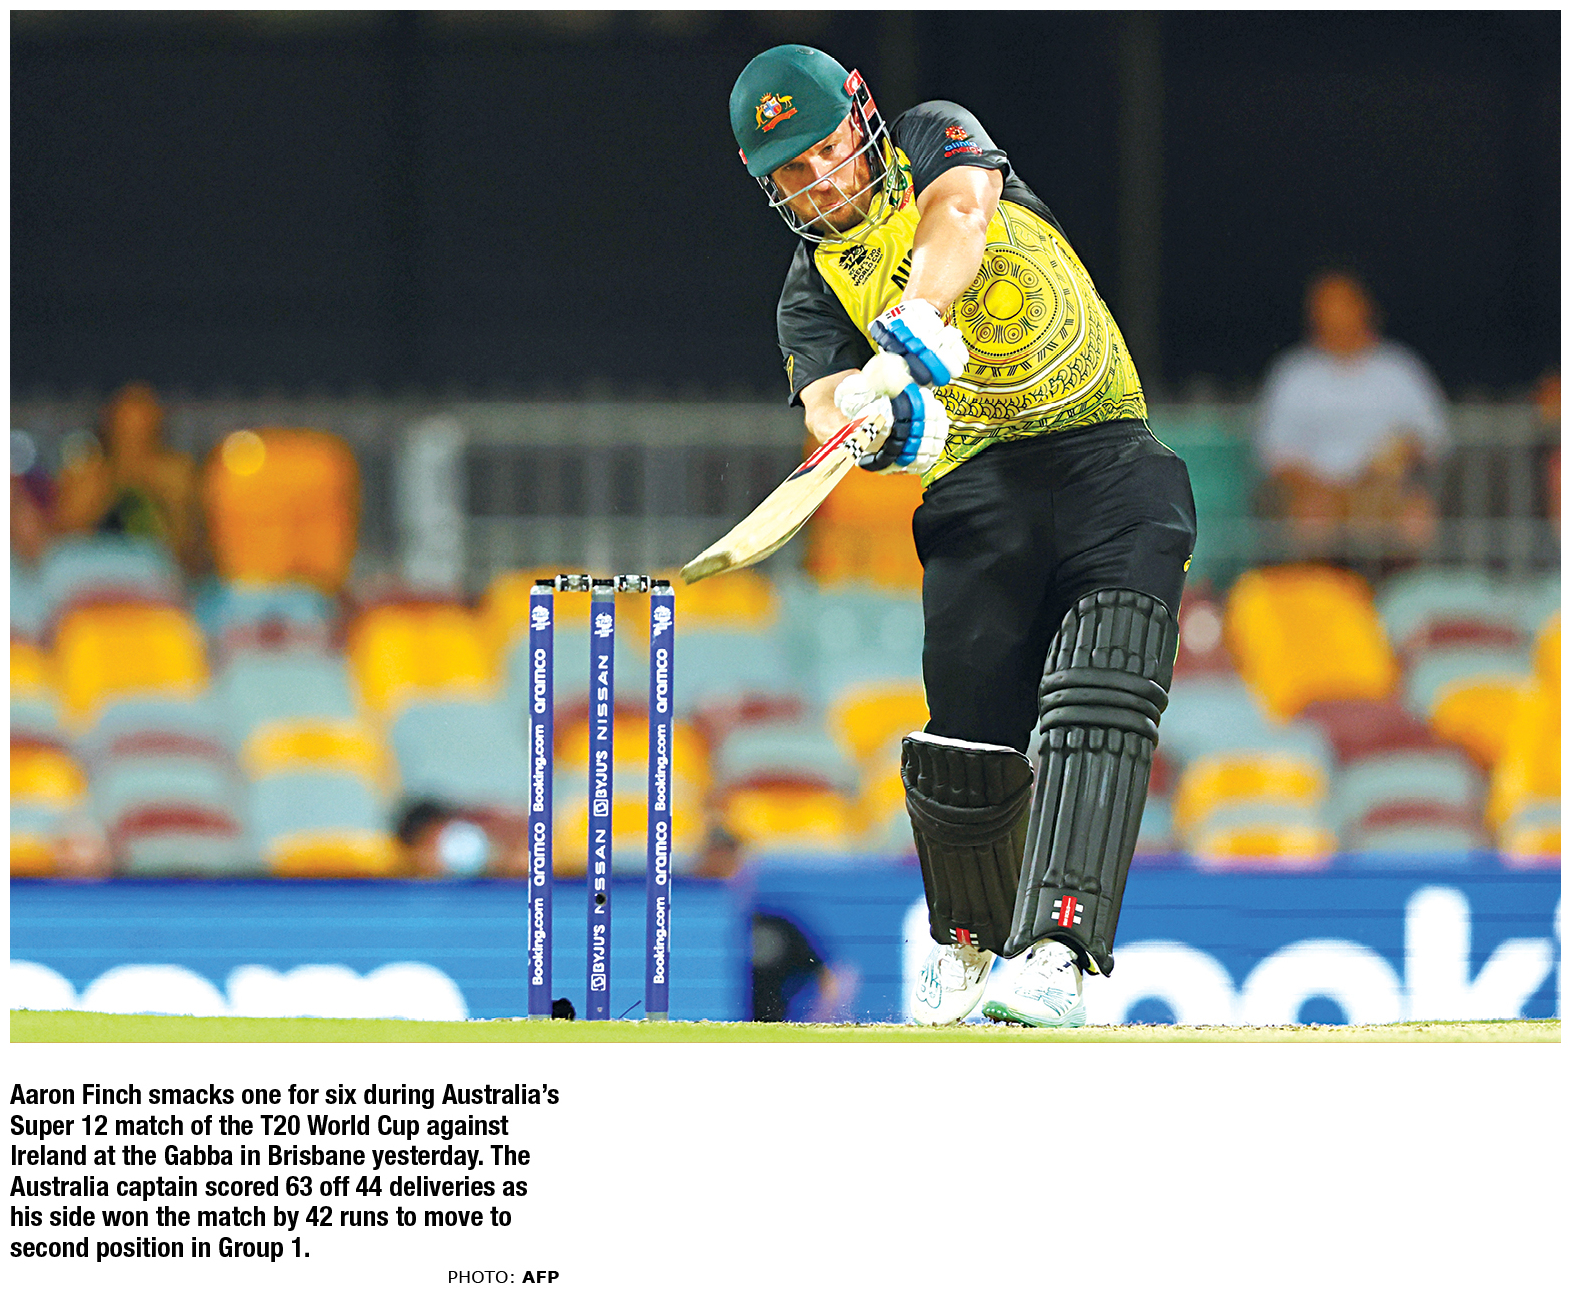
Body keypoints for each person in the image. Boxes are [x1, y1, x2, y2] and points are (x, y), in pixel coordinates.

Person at [729, 46, 1197, 1027]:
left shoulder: (931, 136)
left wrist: (915, 315)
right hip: (977, 497)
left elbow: (962, 213)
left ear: (860, 119)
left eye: (826, 150)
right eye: (791, 172)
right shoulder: (809, 293)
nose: (820, 181)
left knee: (1100, 697)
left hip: (1110, 461)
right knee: (965, 742)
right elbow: (824, 404)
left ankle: (1058, 953)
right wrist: (876, 423)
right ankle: (967, 949)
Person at [1255, 269, 1449, 567]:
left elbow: (1433, 437)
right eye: (1325, 308)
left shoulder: (1398, 368)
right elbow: (1275, 453)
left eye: (1342, 305)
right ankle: (1324, 590)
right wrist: (1326, 490)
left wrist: (1392, 462)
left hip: (1384, 491)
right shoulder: (1294, 373)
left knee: (1417, 519)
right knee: (1310, 520)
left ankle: (1402, 591)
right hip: (1318, 494)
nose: (1335, 316)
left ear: (1364, 309)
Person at [53, 381, 204, 574]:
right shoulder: (85, 474)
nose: (133, 439)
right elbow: (65, 539)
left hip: (158, 577)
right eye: (125, 429)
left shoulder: (177, 473)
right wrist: (110, 482)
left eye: (142, 428)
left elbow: (190, 544)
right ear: (109, 427)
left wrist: (160, 491)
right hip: (94, 577)